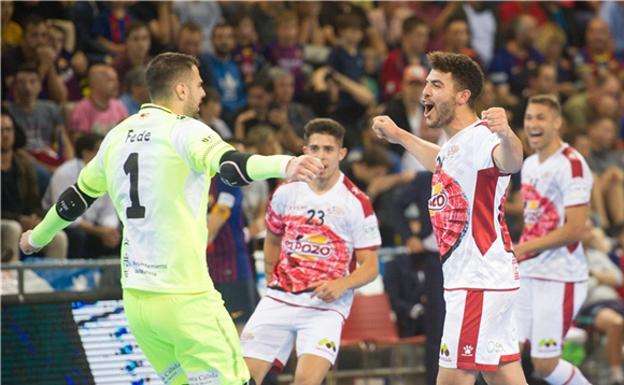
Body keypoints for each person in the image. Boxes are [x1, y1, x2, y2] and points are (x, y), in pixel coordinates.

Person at [19, 52, 323, 385]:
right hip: (185, 298)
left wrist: (37, 237)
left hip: (138, 303)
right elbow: (232, 166)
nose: (203, 93)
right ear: (180, 90)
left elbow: (76, 199)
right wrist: (285, 165)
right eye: (198, 85)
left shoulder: (116, 136)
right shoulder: (186, 131)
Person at [372, 51, 526, 385]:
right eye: (426, 83)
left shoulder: (485, 137)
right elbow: (441, 160)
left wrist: (508, 134)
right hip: (485, 278)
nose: (425, 91)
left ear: (462, 96)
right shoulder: (456, 144)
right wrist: (399, 134)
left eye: (436, 85)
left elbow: (510, 162)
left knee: (453, 378)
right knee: (503, 376)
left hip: (478, 279)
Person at [241, 118, 381, 385]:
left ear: (341, 154)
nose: (321, 156)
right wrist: (272, 278)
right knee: (241, 378)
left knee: (305, 381)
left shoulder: (356, 202)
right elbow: (272, 238)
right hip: (279, 299)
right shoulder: (286, 191)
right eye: (315, 148)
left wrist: (342, 284)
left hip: (324, 307)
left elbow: (370, 266)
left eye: (328, 149)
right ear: (305, 151)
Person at [513, 95, 593, 385]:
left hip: (560, 275)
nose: (533, 124)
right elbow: (534, 220)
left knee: (545, 365)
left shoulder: (572, 164)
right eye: (529, 118)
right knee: (504, 355)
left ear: (557, 123)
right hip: (527, 273)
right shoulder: (530, 164)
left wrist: (520, 249)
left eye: (540, 118)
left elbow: (574, 230)